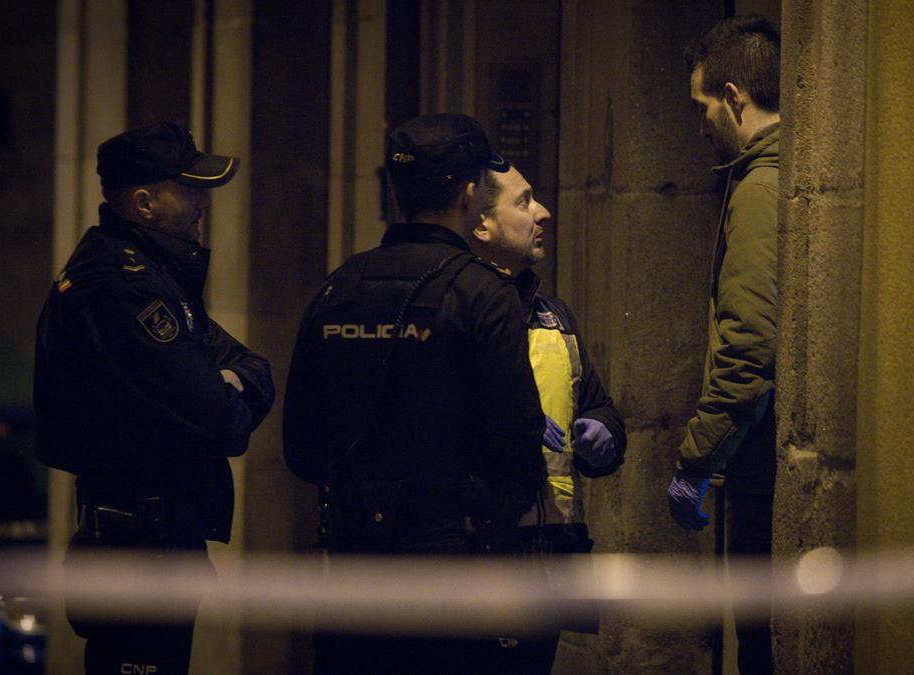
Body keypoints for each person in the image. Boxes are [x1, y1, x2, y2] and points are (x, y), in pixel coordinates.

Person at [283, 113, 546, 672]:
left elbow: (301, 448)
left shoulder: (338, 289)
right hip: (447, 570)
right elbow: (519, 444)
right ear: (471, 192)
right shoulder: (482, 294)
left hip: (352, 565)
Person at [34, 121, 275, 675]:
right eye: (188, 190)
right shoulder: (122, 284)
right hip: (138, 545)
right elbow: (221, 419)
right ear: (144, 202)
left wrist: (229, 381)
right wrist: (225, 385)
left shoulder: (151, 275)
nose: (201, 205)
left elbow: (252, 367)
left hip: (152, 538)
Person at [467, 163, 627, 673]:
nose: (543, 212)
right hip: (477, 553)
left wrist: (604, 432)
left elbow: (597, 403)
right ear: (481, 224)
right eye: (524, 201)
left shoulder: (552, 315)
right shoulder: (455, 313)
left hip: (547, 548)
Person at [666, 14, 781, 675]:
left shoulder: (761, 189)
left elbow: (748, 342)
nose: (700, 125)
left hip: (759, 469)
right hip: (755, 461)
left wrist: (696, 459)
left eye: (702, 107)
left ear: (734, 97)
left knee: (759, 647)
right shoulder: (758, 176)